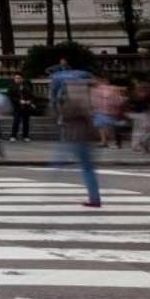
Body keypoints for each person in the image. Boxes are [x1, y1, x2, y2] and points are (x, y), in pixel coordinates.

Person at [54, 68, 102, 207]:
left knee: (87, 168)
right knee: (88, 168)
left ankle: (94, 198)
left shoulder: (75, 101)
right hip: (85, 136)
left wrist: (59, 107)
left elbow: (64, 114)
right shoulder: (88, 99)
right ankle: (94, 197)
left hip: (77, 137)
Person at [10, 73, 35, 142]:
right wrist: (19, 101)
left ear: (22, 79)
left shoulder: (27, 86)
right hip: (17, 107)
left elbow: (32, 96)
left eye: (18, 78)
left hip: (26, 107)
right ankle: (13, 136)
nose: (17, 79)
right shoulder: (12, 87)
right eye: (16, 78)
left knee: (26, 122)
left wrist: (29, 101)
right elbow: (11, 97)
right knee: (16, 121)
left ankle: (25, 136)